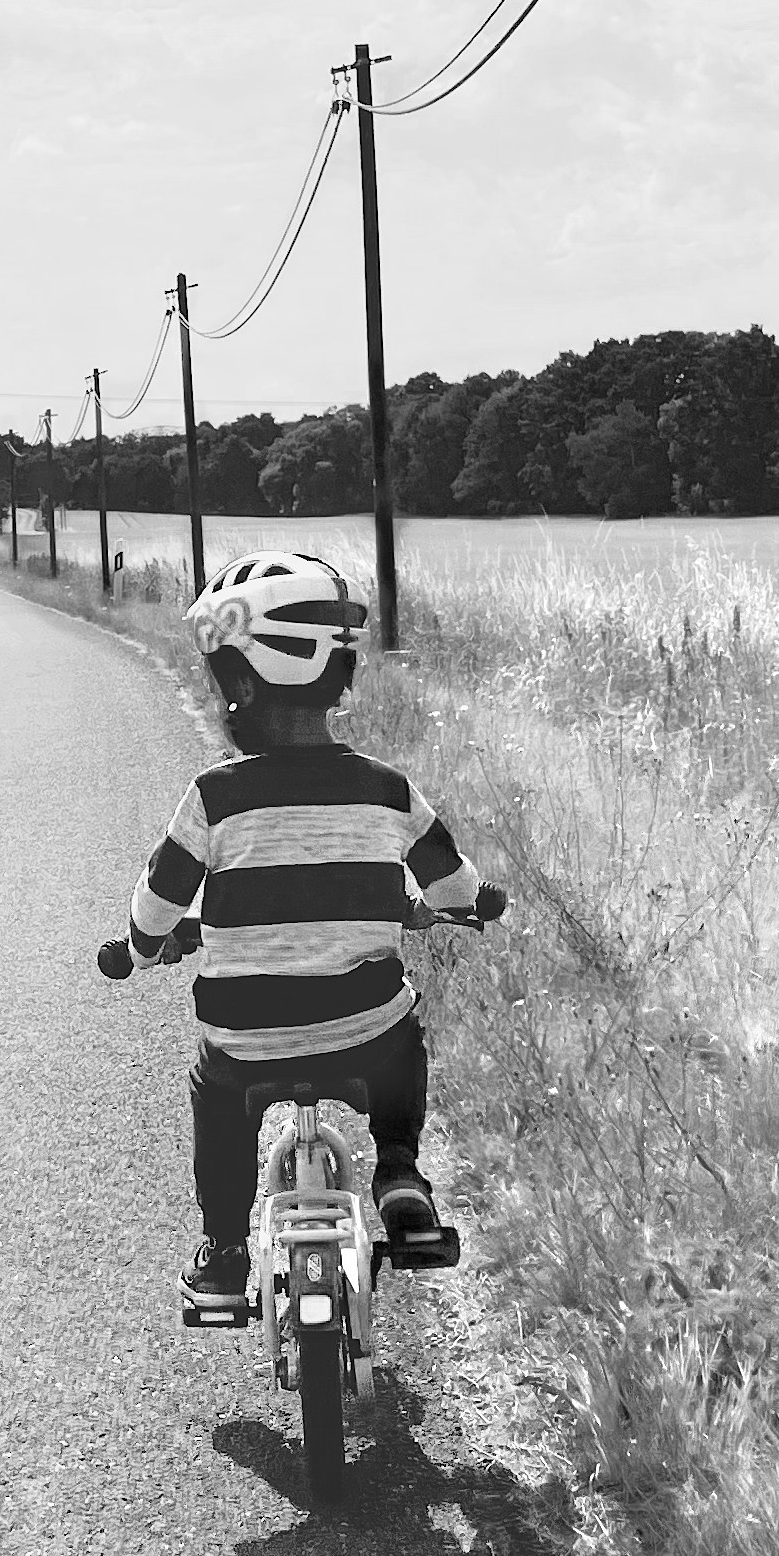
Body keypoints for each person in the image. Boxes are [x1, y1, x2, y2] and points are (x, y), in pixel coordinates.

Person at [121, 549, 487, 1309]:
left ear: (242, 686)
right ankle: (399, 1172)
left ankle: (225, 1251)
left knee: (215, 1092)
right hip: (364, 1031)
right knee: (402, 1043)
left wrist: (142, 946)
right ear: (338, 676)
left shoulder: (213, 799)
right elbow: (453, 884)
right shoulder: (387, 790)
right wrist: (471, 904)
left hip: (246, 1040)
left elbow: (158, 901)